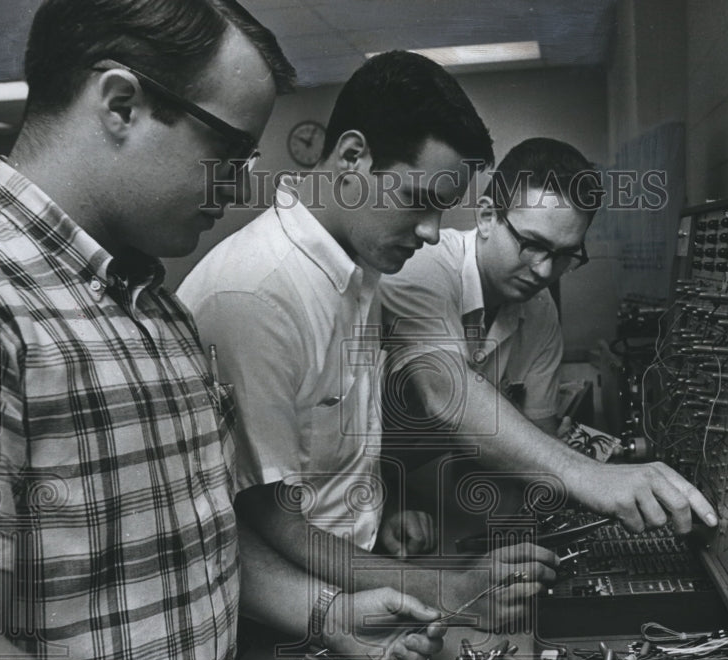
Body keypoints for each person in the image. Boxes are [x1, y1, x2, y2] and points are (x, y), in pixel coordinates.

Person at [0, 2, 443, 660]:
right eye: (228, 149)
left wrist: (326, 612)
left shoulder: (158, 314)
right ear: (121, 104)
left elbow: (191, 543)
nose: (237, 187)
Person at [177, 51, 560, 630]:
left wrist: (379, 515)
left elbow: (329, 458)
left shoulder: (362, 270)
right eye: (418, 201)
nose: (433, 234)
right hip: (287, 618)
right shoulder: (256, 293)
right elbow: (273, 525)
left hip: (361, 578)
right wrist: (451, 589)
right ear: (353, 156)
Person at [380, 138, 719, 535]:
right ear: (487, 217)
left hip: (449, 499)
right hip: (374, 495)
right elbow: (445, 391)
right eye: (533, 245)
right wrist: (588, 476)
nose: (543, 272)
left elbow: (538, 436)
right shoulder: (424, 267)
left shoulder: (540, 310)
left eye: (564, 255)